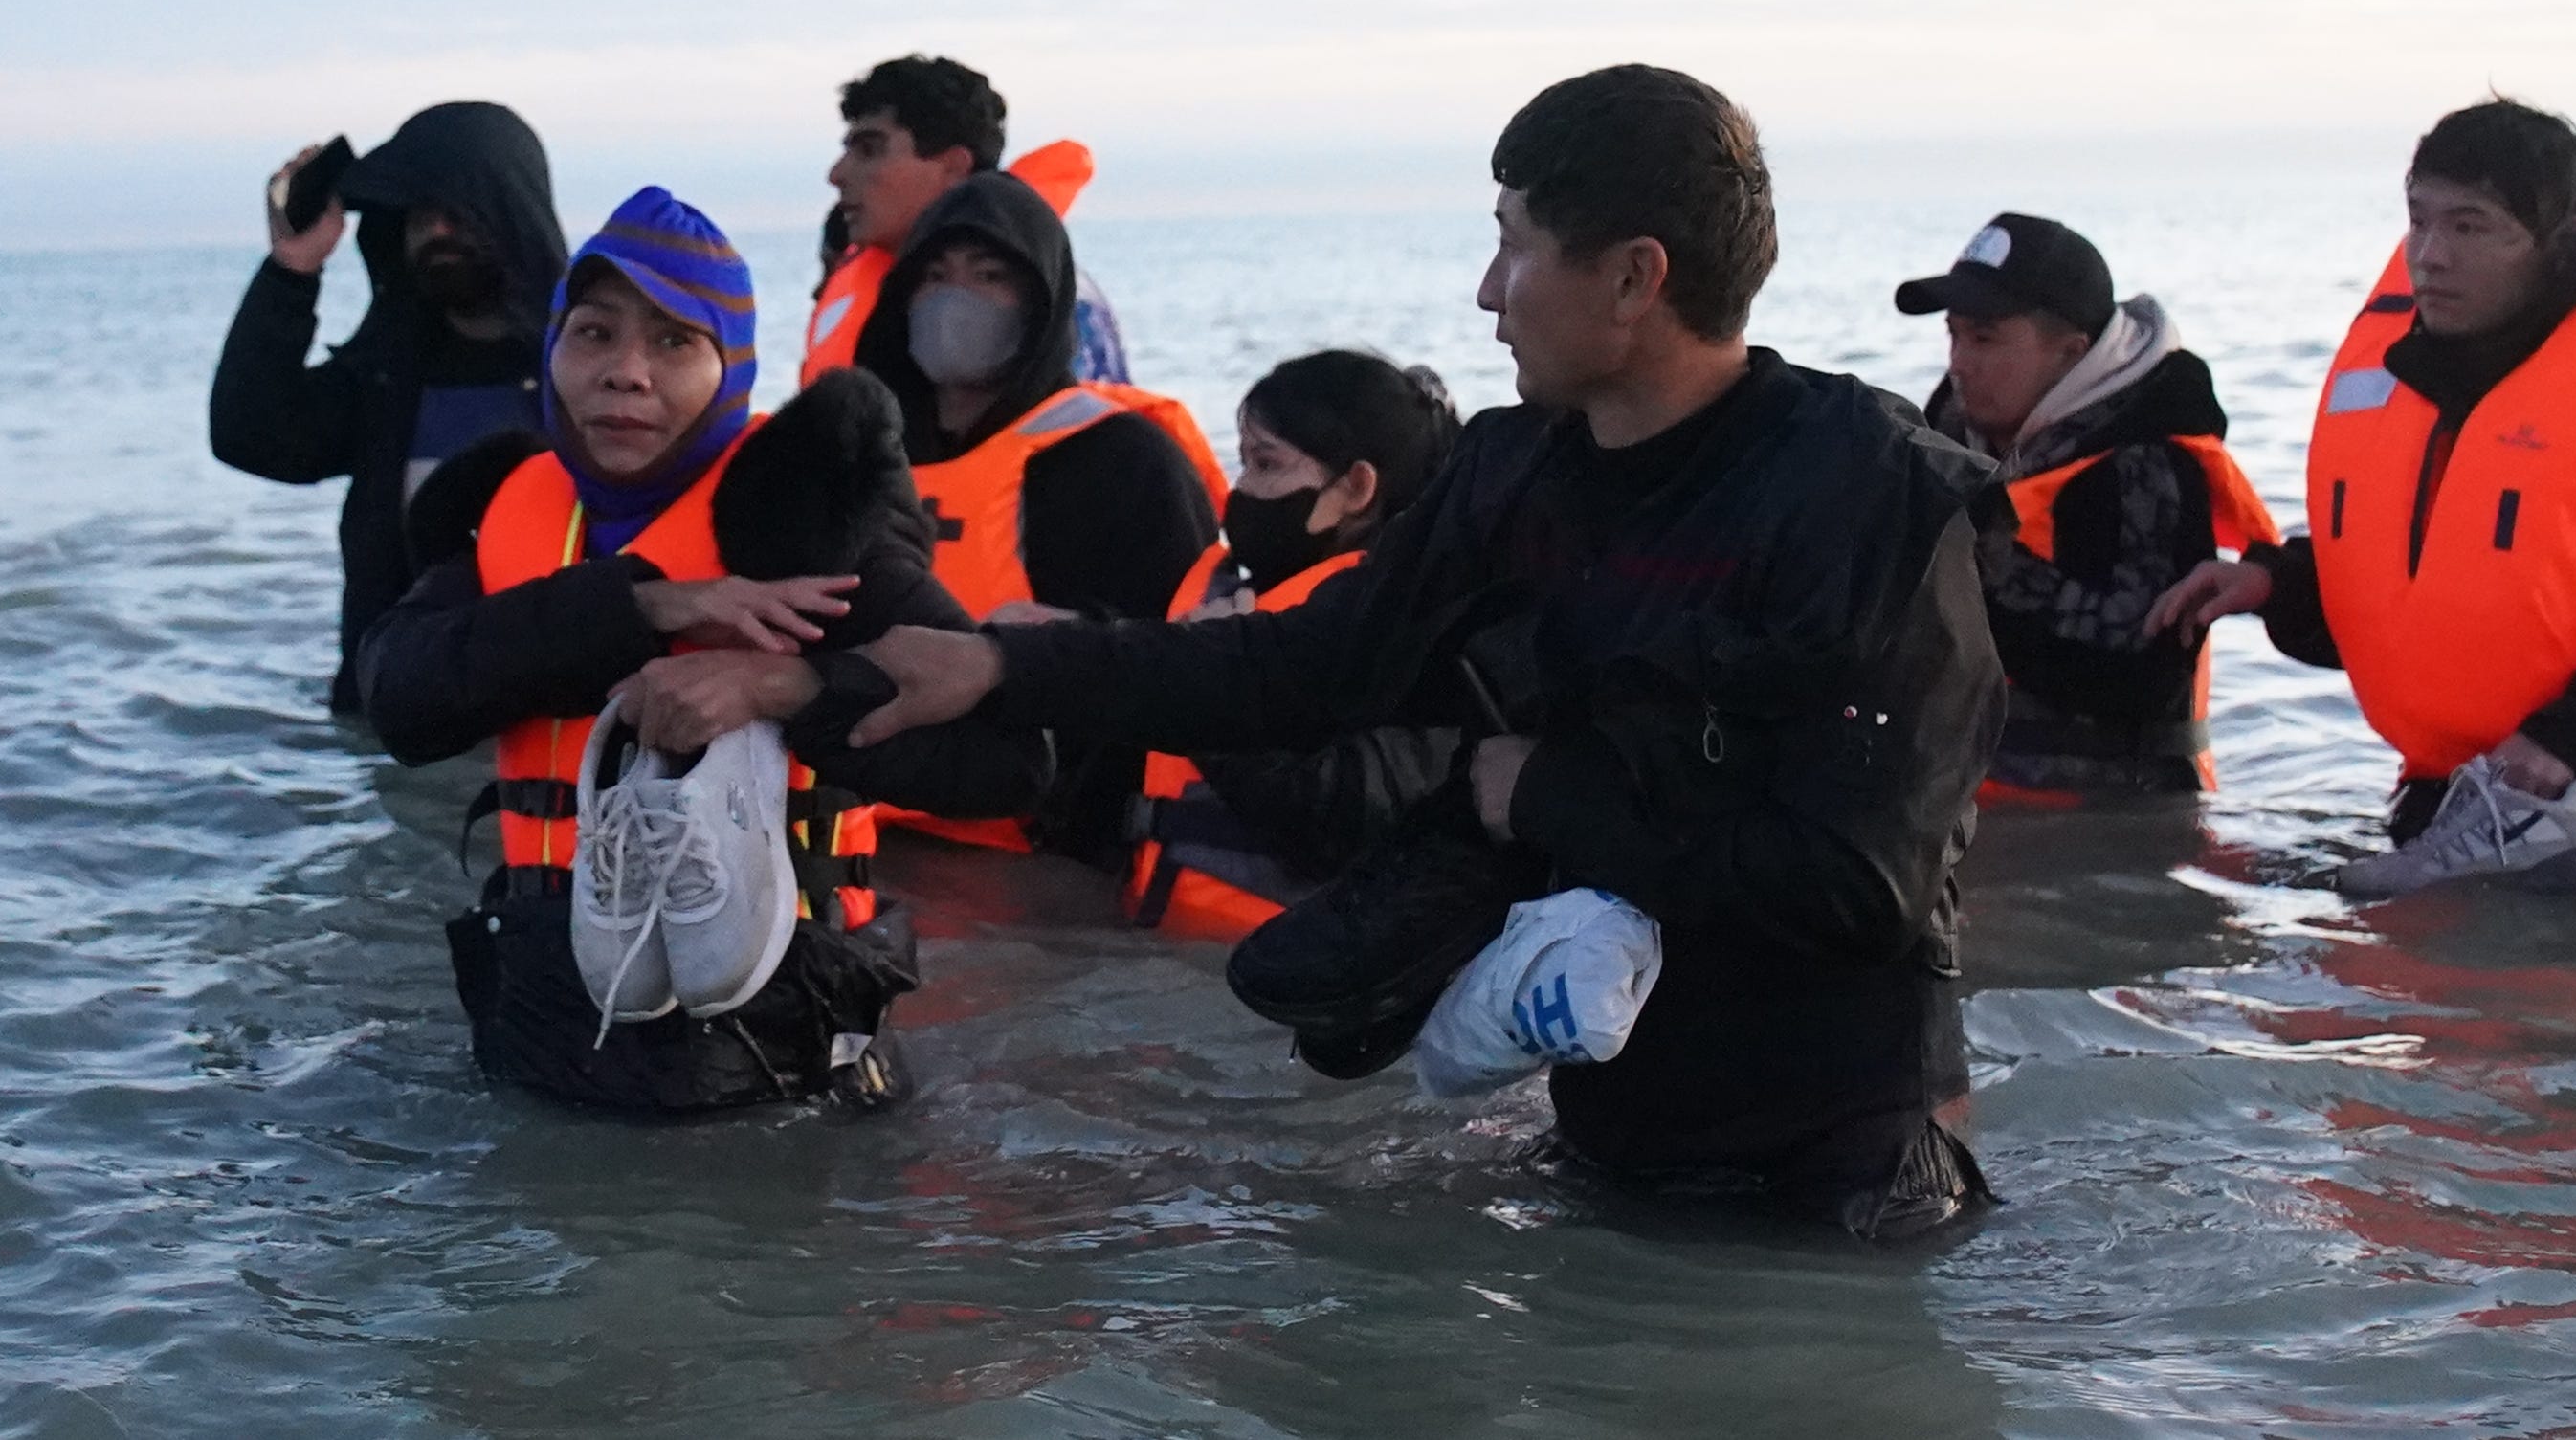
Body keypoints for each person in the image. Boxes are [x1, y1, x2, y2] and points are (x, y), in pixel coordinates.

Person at [619, 65, 2010, 1239]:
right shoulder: (1514, 471)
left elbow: (1863, 885)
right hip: (1609, 1141)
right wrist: (999, 666)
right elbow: (1301, 673)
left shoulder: (1868, 500)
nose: (1485, 290)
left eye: (1515, 243)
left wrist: (1541, 797)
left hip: (1838, 1180)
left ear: (1635, 276)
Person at [356, 187, 1033, 1111]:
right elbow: (398, 696)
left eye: (675, 342)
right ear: (551, 350)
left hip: (788, 1055)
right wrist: (647, 607)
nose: (626, 372)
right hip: (551, 1022)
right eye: (594, 334)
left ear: (733, 366)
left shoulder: (812, 527)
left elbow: (1011, 762)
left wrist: (784, 687)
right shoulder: (512, 513)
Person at [2149, 98, 2576, 893]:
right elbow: (2455, 599)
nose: (2429, 256)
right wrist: (2280, 583)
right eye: (2419, 221)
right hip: (2454, 832)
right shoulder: (2417, 388)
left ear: (2562, 241)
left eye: (2471, 227)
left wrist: (2574, 739)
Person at [844, 166, 1228, 859]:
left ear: (1042, 301)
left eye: (989, 275)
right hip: (869, 830)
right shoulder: (855, 455)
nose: (956, 298)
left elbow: (1184, 667)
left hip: (1044, 849)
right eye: (934, 276)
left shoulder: (1124, 459)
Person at [1899, 213, 2280, 799]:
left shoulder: (2147, 464)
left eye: (1984, 338)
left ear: (2071, 352)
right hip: (1962, 815)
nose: (1958, 361)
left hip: (2109, 830)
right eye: (1953, 335)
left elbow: (2141, 673)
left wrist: (1969, 558)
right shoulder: (1944, 446)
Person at [210, 102, 568, 712]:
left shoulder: (585, 371)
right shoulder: (387, 377)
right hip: (395, 727)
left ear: (510, 209)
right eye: (420, 214)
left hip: (544, 722)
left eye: (461, 210)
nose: (439, 231)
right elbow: (250, 434)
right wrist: (293, 269)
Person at [1121, 349, 1466, 939]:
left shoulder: (1403, 623)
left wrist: (1211, 680)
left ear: (1357, 486)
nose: (1242, 490)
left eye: (1266, 464)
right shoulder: (1225, 587)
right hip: (1157, 947)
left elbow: (1350, 820)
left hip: (1269, 980)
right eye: (1243, 462)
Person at [804, 52, 1129, 387]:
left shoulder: (1045, 304)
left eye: (869, 150)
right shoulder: (891, 295)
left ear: (954, 168)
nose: (837, 174)